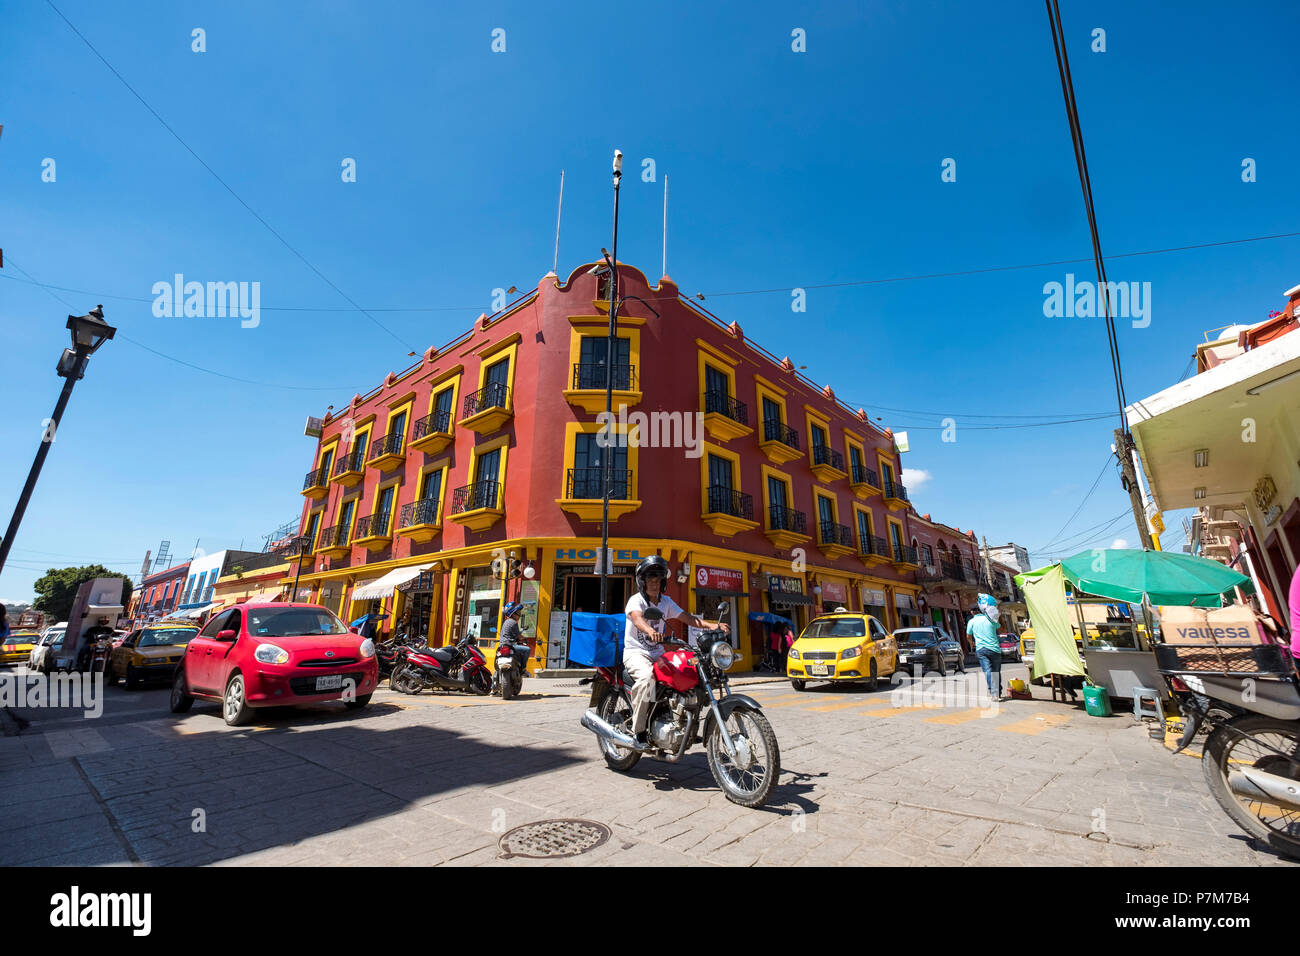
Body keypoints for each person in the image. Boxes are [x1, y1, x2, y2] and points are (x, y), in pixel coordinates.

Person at [624, 556, 728, 750]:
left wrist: (713, 625)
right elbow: (637, 618)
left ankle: (681, 722)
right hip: (636, 652)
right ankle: (637, 732)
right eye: (650, 580)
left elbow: (688, 618)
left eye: (658, 580)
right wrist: (650, 631)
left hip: (657, 653)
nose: (654, 584)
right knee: (647, 678)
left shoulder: (666, 602)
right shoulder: (636, 601)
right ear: (642, 582)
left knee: (687, 670)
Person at [968, 595, 1005, 701]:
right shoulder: (991, 619)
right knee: (996, 671)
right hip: (994, 649)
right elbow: (1002, 630)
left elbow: (968, 636)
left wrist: (972, 643)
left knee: (988, 671)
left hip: (981, 650)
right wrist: (999, 617)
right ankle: (998, 692)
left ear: (972, 612)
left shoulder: (972, 622)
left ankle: (994, 693)